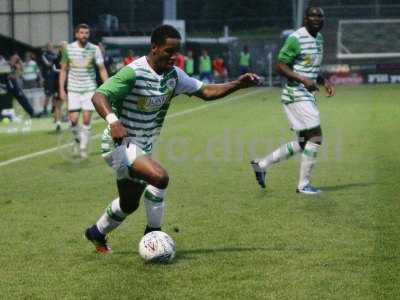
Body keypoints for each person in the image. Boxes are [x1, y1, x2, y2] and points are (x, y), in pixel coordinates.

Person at [85, 24, 260, 254]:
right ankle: (154, 237)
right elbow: (99, 96)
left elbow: (206, 91)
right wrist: (113, 121)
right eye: (169, 51)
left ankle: (96, 233)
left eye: (176, 51)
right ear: (155, 48)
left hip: (142, 147)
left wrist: (238, 83)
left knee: (129, 203)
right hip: (118, 143)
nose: (174, 56)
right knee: (159, 178)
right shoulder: (134, 72)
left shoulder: (174, 75)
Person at [250, 6, 335, 195]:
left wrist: (324, 80)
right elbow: (281, 66)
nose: (316, 19)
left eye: (320, 16)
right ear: (305, 19)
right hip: (295, 93)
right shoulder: (296, 38)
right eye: (312, 16)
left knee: (305, 142)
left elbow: (310, 67)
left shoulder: (319, 39)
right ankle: (303, 185)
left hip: (306, 94)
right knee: (316, 137)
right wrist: (303, 79)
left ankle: (261, 165)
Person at [59, 23, 109, 159]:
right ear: (76, 34)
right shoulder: (68, 50)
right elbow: (63, 70)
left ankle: (82, 149)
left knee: (86, 119)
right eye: (81, 33)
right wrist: (61, 90)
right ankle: (78, 140)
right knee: (73, 120)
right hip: (73, 89)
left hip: (89, 89)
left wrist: (108, 86)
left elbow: (102, 69)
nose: (84, 35)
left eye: (86, 33)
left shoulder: (95, 49)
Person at [41, 42, 58, 117]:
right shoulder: (44, 55)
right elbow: (47, 64)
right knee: (48, 94)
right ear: (46, 47)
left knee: (55, 94)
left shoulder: (55, 55)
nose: (50, 48)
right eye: (49, 46)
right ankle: (44, 110)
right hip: (47, 78)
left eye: (51, 46)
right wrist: (55, 61)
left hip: (54, 77)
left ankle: (53, 109)